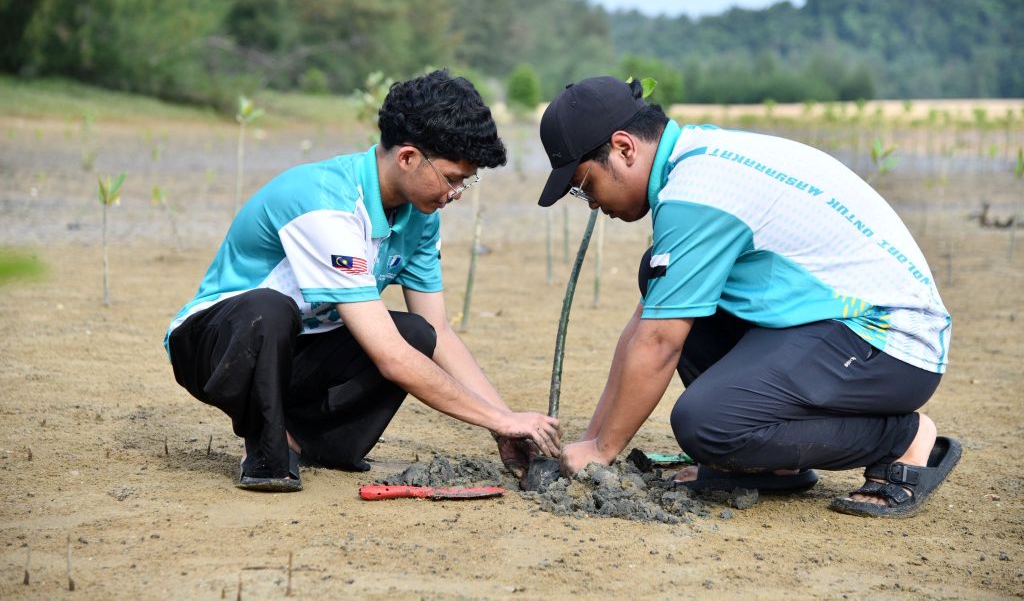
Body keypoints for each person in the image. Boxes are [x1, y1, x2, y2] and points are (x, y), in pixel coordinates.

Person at [536, 76, 960, 518]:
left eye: (584, 185)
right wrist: (591, 441)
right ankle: (771, 464)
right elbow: (645, 328)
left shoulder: (696, 193)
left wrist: (603, 451)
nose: (590, 202)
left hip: (890, 342)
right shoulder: (695, 159)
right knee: (656, 274)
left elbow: (660, 343)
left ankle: (902, 439)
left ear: (624, 148)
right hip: (826, 321)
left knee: (706, 424)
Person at [165, 69, 559, 492]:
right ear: (407, 158)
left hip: (299, 347)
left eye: (467, 180)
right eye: (452, 178)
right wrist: (499, 418)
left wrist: (505, 425)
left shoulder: (419, 216)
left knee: (415, 333)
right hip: (218, 344)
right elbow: (389, 358)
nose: (457, 193)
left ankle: (313, 443)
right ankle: (266, 448)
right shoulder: (327, 203)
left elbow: (439, 332)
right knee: (271, 309)